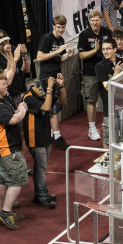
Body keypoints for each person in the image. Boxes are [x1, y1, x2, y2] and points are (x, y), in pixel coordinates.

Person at [0, 73, 29, 230]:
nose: (7, 86)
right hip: (6, 150)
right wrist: (22, 109)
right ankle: (5, 211)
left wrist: (17, 111)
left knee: (3, 180)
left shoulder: (0, 100)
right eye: (4, 84)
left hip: (1, 150)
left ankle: (1, 209)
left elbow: (11, 116)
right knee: (17, 180)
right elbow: (13, 120)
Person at [22, 74, 66, 209]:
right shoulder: (28, 98)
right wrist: (48, 90)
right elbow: (46, 108)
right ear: (36, 87)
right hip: (35, 139)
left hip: (45, 136)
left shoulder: (43, 94)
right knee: (41, 168)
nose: (43, 92)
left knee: (42, 167)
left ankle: (40, 194)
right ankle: (42, 196)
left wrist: (61, 86)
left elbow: (62, 101)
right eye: (42, 90)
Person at [36, 14, 74, 150]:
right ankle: (56, 136)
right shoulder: (46, 39)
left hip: (57, 77)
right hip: (47, 79)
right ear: (53, 26)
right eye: (58, 27)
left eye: (63, 27)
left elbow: (57, 59)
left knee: (56, 107)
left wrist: (66, 56)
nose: (61, 30)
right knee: (51, 109)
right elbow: (39, 57)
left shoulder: (61, 40)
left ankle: (52, 134)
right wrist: (57, 51)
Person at [77, 10, 113, 141]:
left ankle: (108, 126)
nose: (94, 22)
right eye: (92, 20)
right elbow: (81, 55)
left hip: (105, 72)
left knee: (107, 99)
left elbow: (111, 49)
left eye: (97, 20)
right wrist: (94, 50)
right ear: (89, 21)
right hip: (90, 73)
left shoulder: (107, 32)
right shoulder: (84, 35)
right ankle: (92, 128)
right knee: (91, 100)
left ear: (101, 20)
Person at [95, 38, 123, 148]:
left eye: (108, 49)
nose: (105, 51)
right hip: (110, 107)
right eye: (103, 49)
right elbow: (108, 87)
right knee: (109, 138)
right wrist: (116, 73)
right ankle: (108, 161)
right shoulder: (100, 66)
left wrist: (121, 77)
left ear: (115, 49)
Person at [0, 30, 30, 108]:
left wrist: (24, 56)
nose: (5, 44)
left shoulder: (13, 48)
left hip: (19, 91)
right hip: (5, 95)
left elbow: (26, 70)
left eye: (6, 41)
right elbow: (0, 77)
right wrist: (14, 59)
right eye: (1, 43)